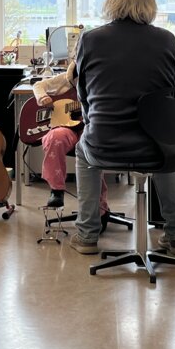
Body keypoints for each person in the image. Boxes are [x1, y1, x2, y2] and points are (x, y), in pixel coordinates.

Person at [70, 0, 175, 256]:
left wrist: (91, 122)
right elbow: (172, 91)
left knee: (83, 150)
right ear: (150, 0)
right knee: (166, 143)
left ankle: (87, 235)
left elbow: (83, 93)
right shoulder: (166, 39)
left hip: (105, 143)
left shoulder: (91, 39)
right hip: (154, 146)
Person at [32, 62, 110, 230]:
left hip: (90, 128)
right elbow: (38, 85)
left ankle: (100, 209)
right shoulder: (66, 79)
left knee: (91, 149)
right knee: (54, 138)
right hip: (67, 127)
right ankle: (56, 190)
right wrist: (43, 97)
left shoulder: (104, 80)